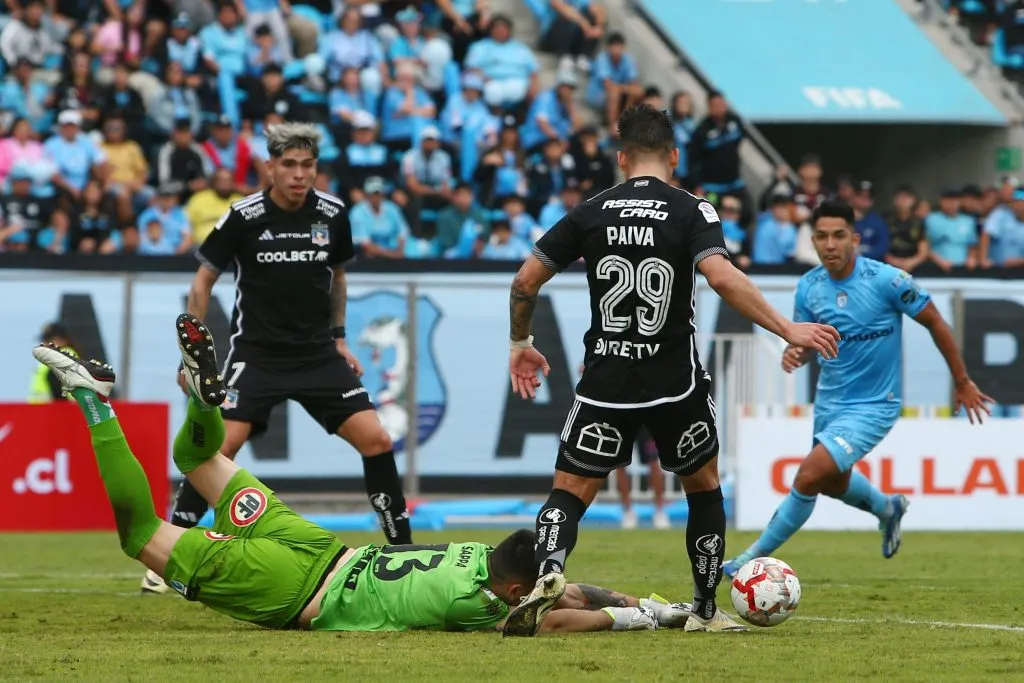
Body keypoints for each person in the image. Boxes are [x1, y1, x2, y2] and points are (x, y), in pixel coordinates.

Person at [32, 326, 695, 634]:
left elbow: (568, 591)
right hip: (294, 588)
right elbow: (562, 616)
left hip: (316, 543)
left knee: (199, 462)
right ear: (519, 591)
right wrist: (638, 615)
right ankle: (95, 401)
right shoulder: (483, 605)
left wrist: (652, 606)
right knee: (140, 532)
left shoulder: (473, 556)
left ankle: (207, 405)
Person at [502, 105, 841, 636]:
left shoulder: (590, 212)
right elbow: (722, 277)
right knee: (702, 488)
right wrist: (787, 328)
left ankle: (548, 573)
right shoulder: (692, 210)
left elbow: (525, 281)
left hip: (606, 382)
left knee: (569, 491)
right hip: (673, 384)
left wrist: (521, 342)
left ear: (621, 158)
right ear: (675, 156)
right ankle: (704, 610)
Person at [142, 123, 413, 594]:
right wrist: (192, 358)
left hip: (318, 355)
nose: (299, 174)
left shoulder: (333, 213)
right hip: (258, 356)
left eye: (307, 165)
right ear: (270, 167)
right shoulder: (243, 216)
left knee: (378, 440)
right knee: (217, 451)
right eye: (289, 165)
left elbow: (339, 278)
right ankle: (169, 553)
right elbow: (203, 280)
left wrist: (340, 339)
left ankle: (404, 552)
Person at [722, 201, 993, 578]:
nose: (830, 244)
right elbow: (807, 341)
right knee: (833, 482)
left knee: (809, 476)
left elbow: (936, 323)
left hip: (875, 404)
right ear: (813, 241)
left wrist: (962, 381)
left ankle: (744, 562)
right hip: (830, 404)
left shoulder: (888, 281)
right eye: (821, 236)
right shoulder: (809, 287)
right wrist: (796, 352)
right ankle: (886, 508)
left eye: (838, 235)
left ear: (854, 238)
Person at [28, 322, 78, 403]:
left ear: (60, 340)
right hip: (49, 408)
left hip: (56, 408)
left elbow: (57, 387)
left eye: (47, 340)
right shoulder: (56, 356)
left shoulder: (61, 357)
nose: (43, 343)